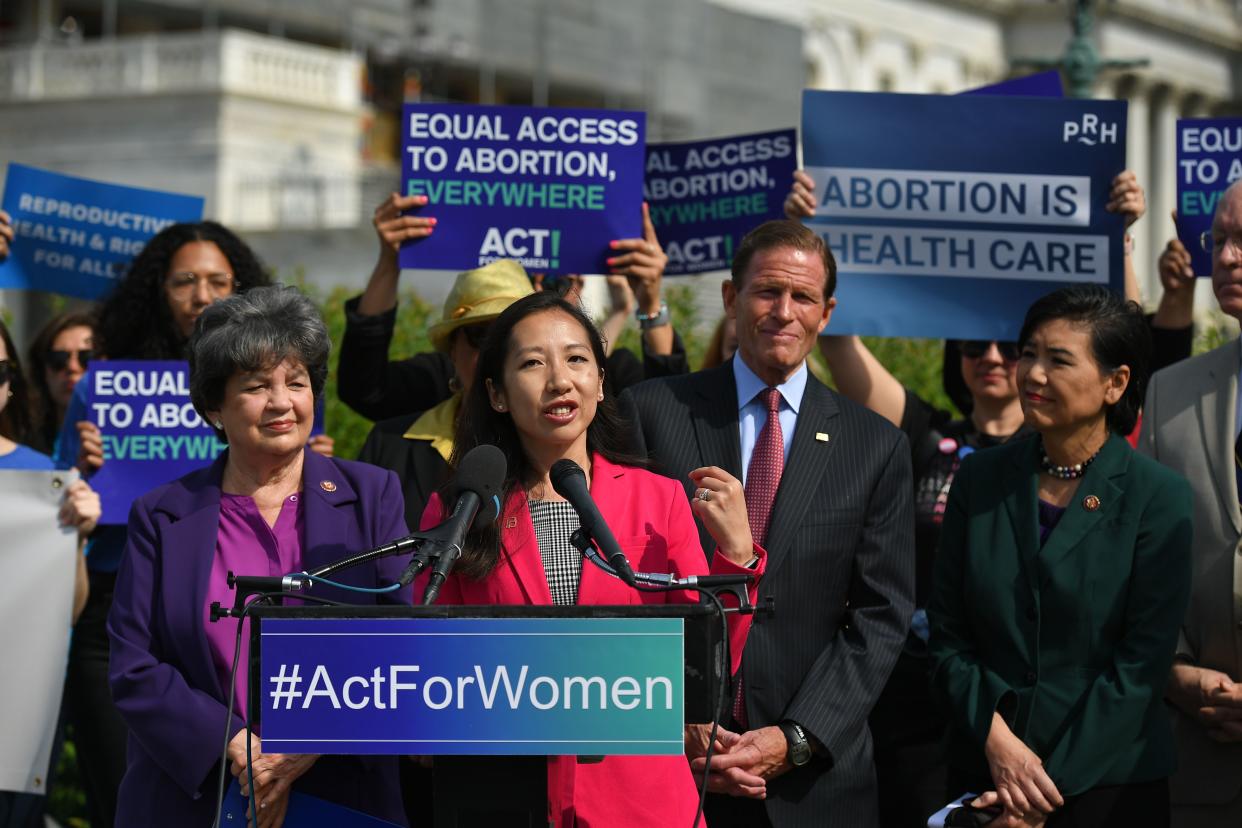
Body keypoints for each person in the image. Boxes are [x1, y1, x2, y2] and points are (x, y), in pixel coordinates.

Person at [418, 290, 765, 827]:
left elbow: (708, 666)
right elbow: (433, 674)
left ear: (601, 383)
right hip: (507, 799)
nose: (560, 380)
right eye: (533, 363)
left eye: (577, 359)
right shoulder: (458, 509)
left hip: (641, 802)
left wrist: (737, 554)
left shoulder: (659, 498)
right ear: (497, 393)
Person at [623, 219, 915, 827]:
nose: (784, 312)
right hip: (672, 773)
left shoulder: (875, 446)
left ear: (827, 312)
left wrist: (796, 737)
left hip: (815, 787)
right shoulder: (654, 414)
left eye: (803, 297)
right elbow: (624, 590)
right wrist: (674, 721)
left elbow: (880, 617)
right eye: (766, 292)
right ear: (732, 299)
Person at [107, 285, 410, 826]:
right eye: (255, 386)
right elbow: (134, 666)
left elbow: (401, 637)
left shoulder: (373, 495)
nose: (281, 402)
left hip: (342, 791)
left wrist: (307, 742)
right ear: (214, 407)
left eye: (296, 382)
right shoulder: (163, 513)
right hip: (191, 797)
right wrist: (236, 744)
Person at [929, 284, 1192, 828]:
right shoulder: (981, 478)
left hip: (1108, 788)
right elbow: (949, 634)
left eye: (1058, 360)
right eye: (1029, 353)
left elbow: (1139, 667)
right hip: (984, 773)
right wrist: (997, 740)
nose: (1033, 374)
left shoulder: (1156, 497)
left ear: (1115, 383)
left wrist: (1038, 794)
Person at [55, 220, 282, 828]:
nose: (201, 294)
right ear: (157, 290)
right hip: (114, 619)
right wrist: (77, 473)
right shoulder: (104, 389)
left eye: (217, 280)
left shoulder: (275, 392)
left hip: (225, 619)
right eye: (184, 281)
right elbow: (55, 496)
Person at [338, 194, 685, 423]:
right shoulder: (442, 384)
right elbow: (366, 388)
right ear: (453, 349)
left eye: (558, 284)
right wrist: (389, 262)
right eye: (482, 335)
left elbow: (668, 413)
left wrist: (650, 301)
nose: (500, 353)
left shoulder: (595, 380)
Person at [1138, 179, 1242, 827]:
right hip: (1204, 769)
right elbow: (1140, 562)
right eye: (1220, 240)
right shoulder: (1169, 393)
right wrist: (1176, 673)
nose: (1227, 257)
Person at [0, 317, 98, 828]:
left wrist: (77, 538)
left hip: (20, 703)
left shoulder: (43, 475)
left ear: (11, 382)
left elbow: (70, 610)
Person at [26, 310, 96, 455]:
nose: (72, 367)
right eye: (58, 359)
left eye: (87, 358)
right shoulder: (20, 440)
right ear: (42, 370)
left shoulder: (130, 442)